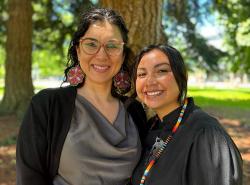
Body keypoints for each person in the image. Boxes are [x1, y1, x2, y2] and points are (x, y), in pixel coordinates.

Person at [16, 8, 147, 185]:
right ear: (78, 50)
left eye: (112, 45)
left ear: (123, 55)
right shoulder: (48, 105)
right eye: (91, 44)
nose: (102, 55)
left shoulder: (135, 111)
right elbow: (29, 178)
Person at [131, 44, 243, 185]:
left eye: (161, 71)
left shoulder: (206, 134)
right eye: (142, 74)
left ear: (181, 76)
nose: (150, 81)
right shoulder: (148, 128)